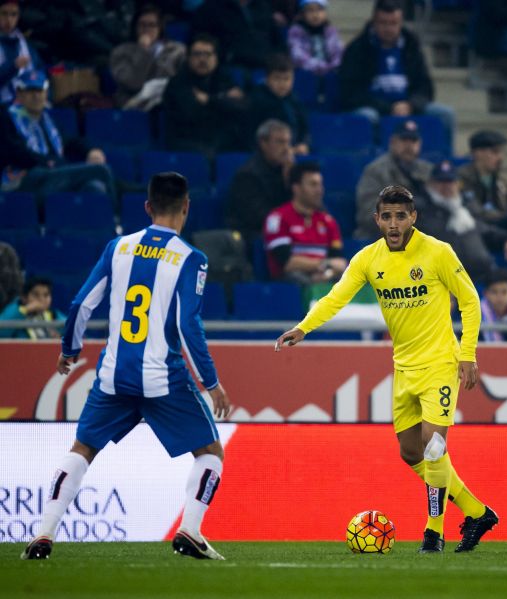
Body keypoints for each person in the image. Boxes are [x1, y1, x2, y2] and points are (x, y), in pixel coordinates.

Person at [275, 184, 499, 553]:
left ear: (414, 217)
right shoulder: (368, 259)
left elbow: (470, 300)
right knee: (410, 452)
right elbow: (336, 297)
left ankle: (434, 532)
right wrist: (303, 328)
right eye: (387, 216)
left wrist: (468, 354)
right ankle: (477, 512)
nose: (394, 224)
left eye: (401, 216)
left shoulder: (438, 252)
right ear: (376, 219)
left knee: (434, 445)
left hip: (441, 363)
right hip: (404, 367)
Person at [21, 172, 232, 561]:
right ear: (186, 207)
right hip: (163, 378)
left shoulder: (118, 247)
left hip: (113, 376)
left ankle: (43, 533)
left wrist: (69, 348)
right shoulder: (191, 258)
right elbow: (188, 325)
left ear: (148, 207)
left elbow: (82, 304)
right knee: (210, 452)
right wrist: (211, 382)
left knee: (83, 448)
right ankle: (191, 530)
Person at [337, 0, 454, 135]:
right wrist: (388, 108)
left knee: (445, 114)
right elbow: (351, 92)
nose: (388, 28)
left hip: (408, 105)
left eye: (393, 23)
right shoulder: (357, 48)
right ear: (374, 22)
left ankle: (444, 155)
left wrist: (411, 105)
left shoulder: (412, 46)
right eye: (383, 23)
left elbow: (425, 86)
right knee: (367, 117)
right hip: (373, 107)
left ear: (401, 22)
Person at [0, 70, 115, 198]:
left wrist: (91, 150)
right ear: (19, 94)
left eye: (40, 91)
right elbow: (14, 152)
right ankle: (117, 215)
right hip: (22, 180)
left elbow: (70, 141)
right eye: (31, 91)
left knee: (94, 186)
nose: (36, 96)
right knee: (100, 170)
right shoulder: (7, 117)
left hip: (52, 177)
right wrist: (49, 162)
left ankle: (105, 215)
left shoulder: (48, 121)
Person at [416, 159, 507, 282]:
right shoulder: (421, 210)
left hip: (479, 276)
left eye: (450, 181)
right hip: (443, 279)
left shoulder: (464, 207)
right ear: (431, 184)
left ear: (458, 184)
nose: (447, 186)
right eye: (441, 181)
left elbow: (484, 229)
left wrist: (506, 240)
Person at [161, 34, 246, 157]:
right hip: (188, 141)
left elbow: (242, 106)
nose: (202, 59)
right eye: (197, 54)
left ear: (216, 58)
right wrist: (223, 100)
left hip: (221, 141)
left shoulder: (224, 79)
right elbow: (190, 113)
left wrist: (209, 100)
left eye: (207, 54)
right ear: (188, 58)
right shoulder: (178, 83)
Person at [263, 161, 346, 283]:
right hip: (290, 285)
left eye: (320, 185)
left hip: (323, 276)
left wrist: (326, 273)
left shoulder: (328, 221)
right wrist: (323, 265)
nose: (319, 190)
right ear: (296, 188)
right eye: (313, 185)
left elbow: (339, 262)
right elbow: (287, 263)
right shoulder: (277, 218)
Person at [354, 119, 432, 239]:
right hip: (380, 238)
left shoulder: (428, 170)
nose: (409, 145)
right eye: (404, 140)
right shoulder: (375, 170)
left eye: (413, 141)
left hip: (420, 235)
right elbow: (366, 213)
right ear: (393, 142)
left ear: (419, 144)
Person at [226, 119, 294, 249]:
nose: (286, 149)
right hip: (252, 237)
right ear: (263, 143)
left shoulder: (288, 171)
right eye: (280, 142)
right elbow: (259, 217)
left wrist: (290, 182)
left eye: (288, 142)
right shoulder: (247, 175)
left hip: (281, 230)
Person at [109, 4, 186, 109]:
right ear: (135, 27)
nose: (146, 29)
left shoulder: (177, 51)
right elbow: (133, 83)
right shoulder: (120, 53)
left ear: (160, 28)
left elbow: (184, 82)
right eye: (142, 25)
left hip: (168, 104)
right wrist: (142, 51)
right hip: (133, 106)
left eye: (152, 25)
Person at [244, 53, 309, 155]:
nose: (282, 84)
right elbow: (250, 135)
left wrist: (303, 144)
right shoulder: (256, 101)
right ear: (267, 79)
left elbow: (304, 128)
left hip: (293, 152)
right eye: (277, 78)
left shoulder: (294, 100)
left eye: (286, 79)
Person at [192, 0, 286, 71]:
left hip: (266, 70)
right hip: (229, 70)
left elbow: (278, 41)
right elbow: (201, 45)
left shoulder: (263, 6)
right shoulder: (210, 9)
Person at [0, 0, 43, 105]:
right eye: (4, 14)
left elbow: (39, 74)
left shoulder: (25, 45)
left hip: (24, 106)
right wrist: (13, 67)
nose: (9, 20)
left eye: (13, 14)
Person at [288, 0, 344, 76]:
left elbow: (339, 52)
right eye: (310, 10)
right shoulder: (296, 32)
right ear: (302, 14)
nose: (315, 14)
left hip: (330, 72)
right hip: (306, 73)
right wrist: (323, 66)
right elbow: (298, 56)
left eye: (320, 10)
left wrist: (334, 65)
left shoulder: (330, 31)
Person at [480, 267, 507, 342]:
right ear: (485, 293)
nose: (500, 298)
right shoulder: (476, 316)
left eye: (504, 292)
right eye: (494, 292)